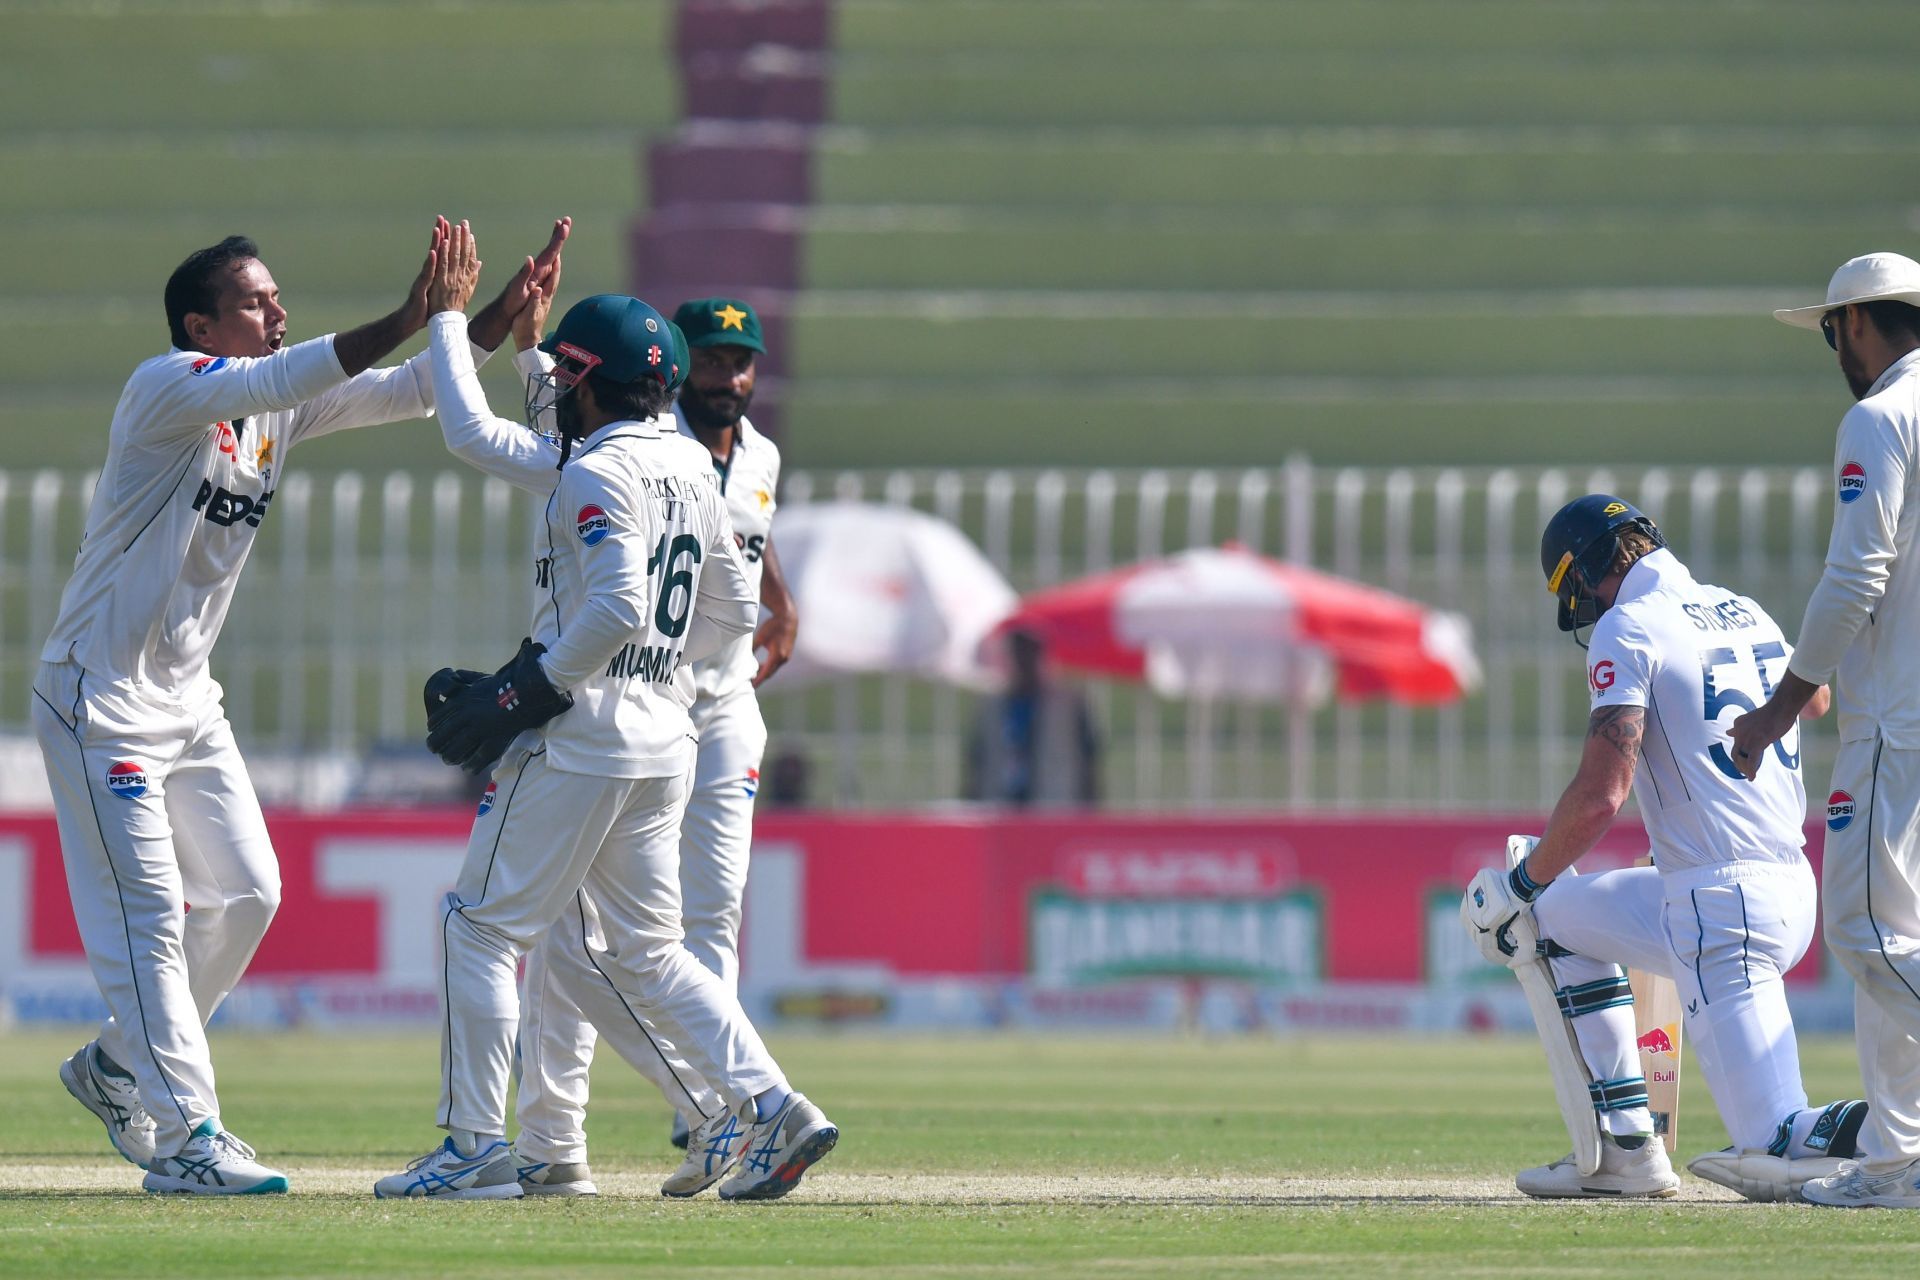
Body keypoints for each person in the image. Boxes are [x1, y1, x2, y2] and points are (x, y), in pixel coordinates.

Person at [33, 219, 542, 1195]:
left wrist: (479, 324)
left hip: (186, 700)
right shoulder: (166, 385)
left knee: (251, 891)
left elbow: (407, 390)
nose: (278, 312)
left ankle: (112, 1064)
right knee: (148, 914)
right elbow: (292, 373)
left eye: (277, 299)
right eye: (257, 303)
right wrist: (412, 311)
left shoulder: (275, 406)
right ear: (200, 324)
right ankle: (187, 1136)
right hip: (100, 699)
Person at [374, 221, 837, 1201]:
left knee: (479, 926)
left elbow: (615, 596)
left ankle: (471, 1149)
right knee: (648, 951)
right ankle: (766, 1103)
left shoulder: (592, 468)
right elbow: (726, 610)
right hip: (671, 732)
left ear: (584, 377)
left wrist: (529, 687)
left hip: (584, 732)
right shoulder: (692, 472)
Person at [1462, 495, 1864, 1201]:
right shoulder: (1742, 607)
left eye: (1578, 592)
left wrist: (1518, 884)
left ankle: (1894, 1132)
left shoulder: (1630, 624)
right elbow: (1816, 701)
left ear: (1586, 571)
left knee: (1772, 1146)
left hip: (1721, 903)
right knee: (1555, 918)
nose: (1584, 609)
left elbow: (1599, 796)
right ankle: (1626, 1150)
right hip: (1783, 882)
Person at [515, 294, 800, 1170]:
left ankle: (712, 1118)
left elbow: (755, 576)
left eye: (742, 360)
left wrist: (765, 640)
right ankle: (592, 1129)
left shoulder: (761, 458)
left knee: (706, 919)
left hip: (719, 715)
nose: (731, 377)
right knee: (585, 932)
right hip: (648, 705)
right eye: (712, 360)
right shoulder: (645, 446)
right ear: (676, 369)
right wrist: (528, 348)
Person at [1731, 252, 1920, 1208]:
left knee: (1862, 933)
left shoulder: (1880, 417)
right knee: (1904, 936)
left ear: (1855, 323)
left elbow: (1858, 576)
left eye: (1830, 333)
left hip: (1897, 722)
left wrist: (1776, 707)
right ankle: (1897, 1165)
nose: (1831, 350)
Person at [963, 627, 1099, 807]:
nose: (1023, 660)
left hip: (1054, 806)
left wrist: (1089, 808)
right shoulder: (993, 706)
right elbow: (978, 760)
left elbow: (1088, 761)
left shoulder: (1068, 705)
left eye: (1029, 651)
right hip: (1000, 805)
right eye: (1018, 651)